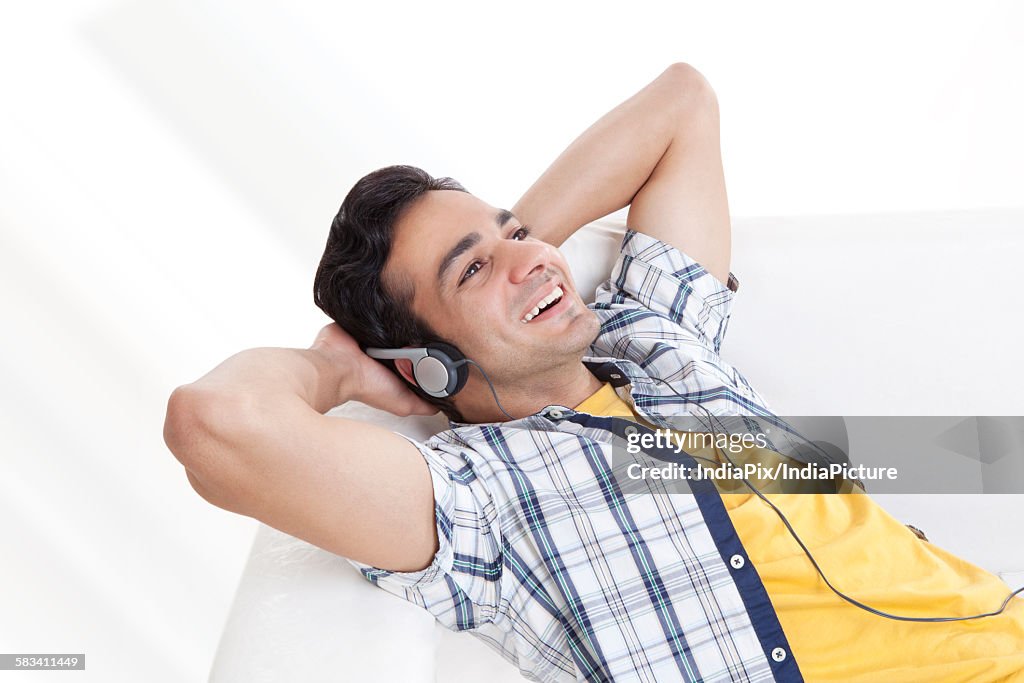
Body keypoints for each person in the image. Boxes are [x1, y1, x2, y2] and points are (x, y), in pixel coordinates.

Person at [164, 64, 1024, 682]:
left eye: (515, 233)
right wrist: (335, 369)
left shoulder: (653, 339)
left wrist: (509, 257)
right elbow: (214, 423)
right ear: (424, 363)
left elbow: (682, 103)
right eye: (471, 271)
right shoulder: (480, 501)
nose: (533, 259)